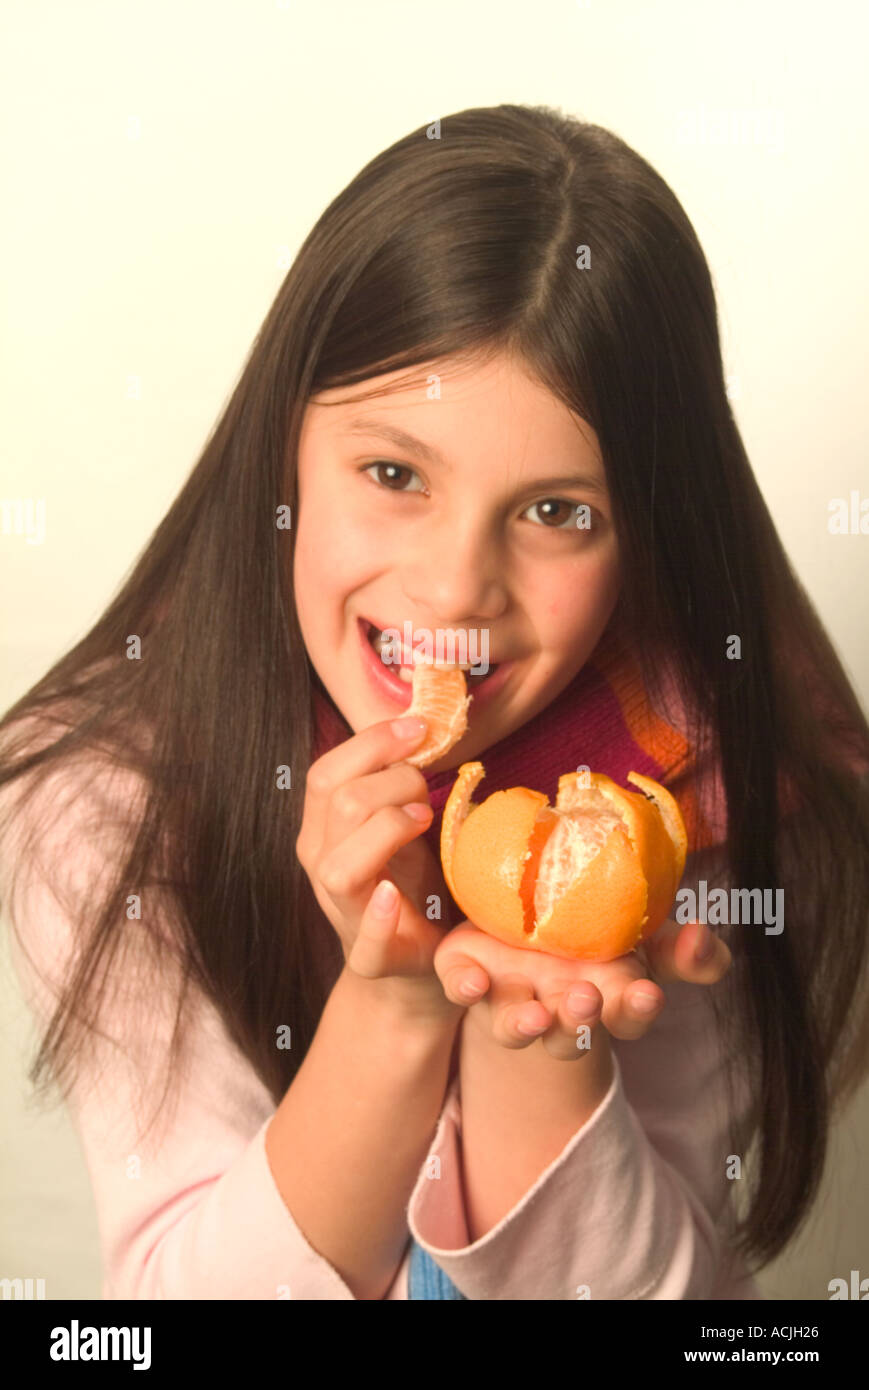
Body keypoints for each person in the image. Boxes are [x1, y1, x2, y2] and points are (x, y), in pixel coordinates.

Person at [1, 104, 867, 1302]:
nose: (455, 587)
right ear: (281, 455)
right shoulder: (101, 805)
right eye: (394, 472)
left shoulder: (708, 806)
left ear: (644, 539)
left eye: (558, 511)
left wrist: (535, 1017)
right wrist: (393, 1000)